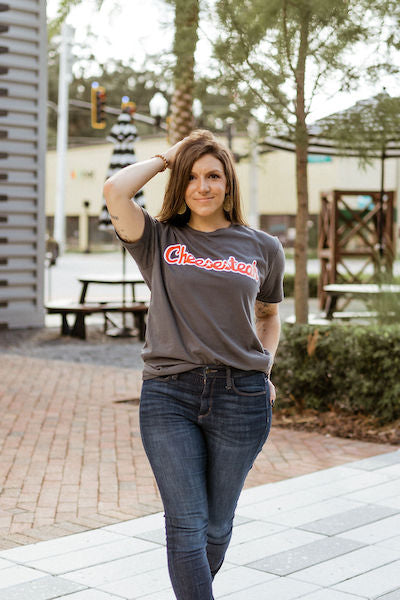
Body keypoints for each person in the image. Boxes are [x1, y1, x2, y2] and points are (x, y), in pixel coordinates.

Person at [103, 129, 285, 600]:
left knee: (216, 527)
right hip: (169, 395)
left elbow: (268, 316)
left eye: (213, 176)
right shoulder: (157, 238)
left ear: (228, 184)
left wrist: (264, 372)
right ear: (179, 183)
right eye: (192, 177)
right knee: (185, 524)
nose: (202, 186)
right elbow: (114, 190)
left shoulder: (263, 246)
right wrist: (171, 155)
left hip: (241, 397)